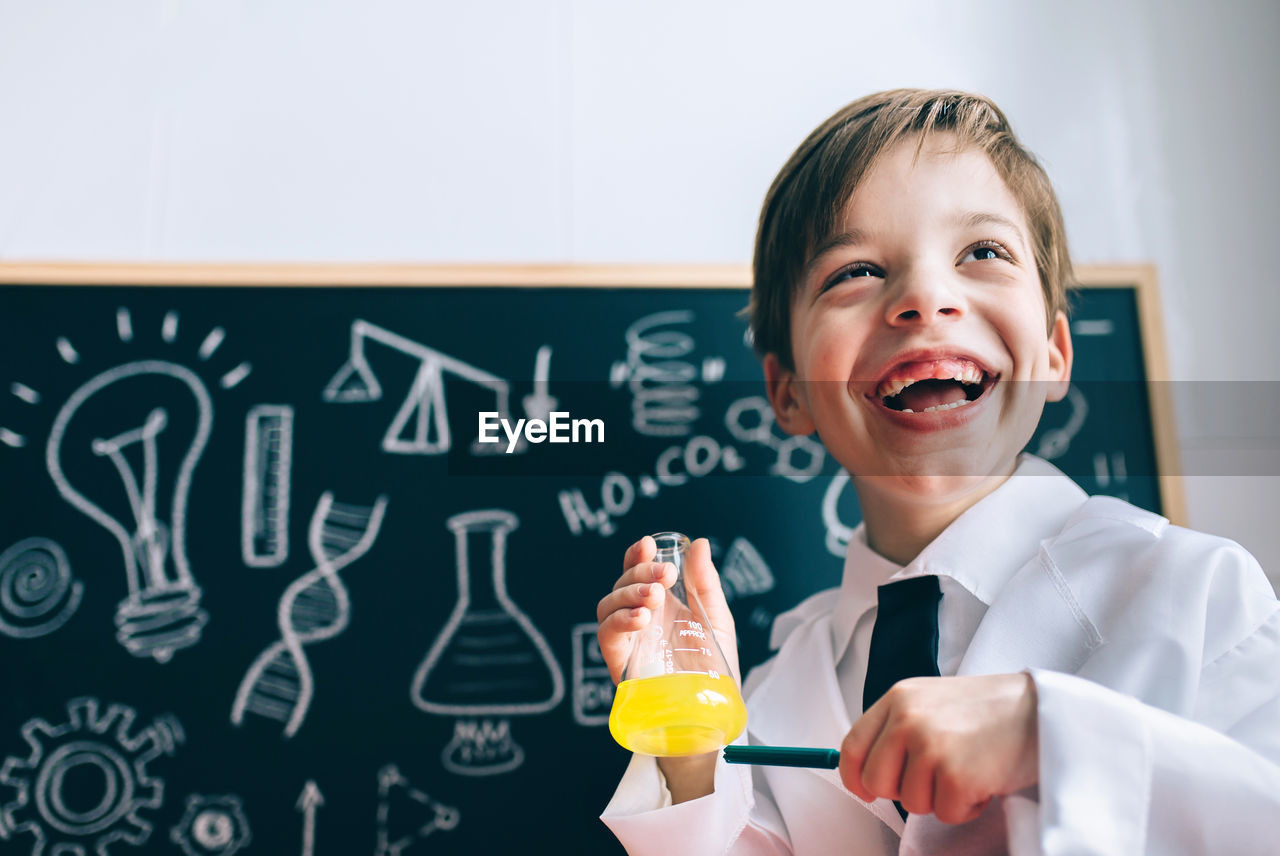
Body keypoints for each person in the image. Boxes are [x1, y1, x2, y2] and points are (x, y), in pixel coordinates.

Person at [594, 89, 1280, 854]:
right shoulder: (782, 682)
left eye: (982, 253)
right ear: (787, 392)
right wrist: (692, 740)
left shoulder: (1195, 593)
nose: (924, 298)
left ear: (1055, 353)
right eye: (854, 271)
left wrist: (1043, 736)